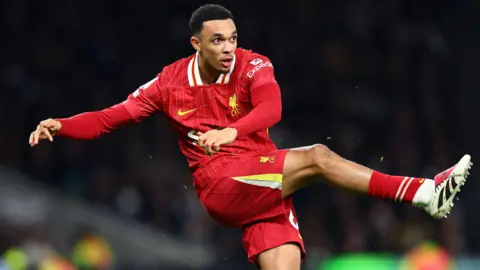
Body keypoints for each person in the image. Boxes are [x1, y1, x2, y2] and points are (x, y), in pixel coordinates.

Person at [29, 4, 472, 270]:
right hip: (222, 185)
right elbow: (110, 118)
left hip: (263, 183)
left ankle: (426, 194)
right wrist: (61, 125)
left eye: (233, 39)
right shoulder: (167, 84)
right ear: (195, 45)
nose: (228, 48)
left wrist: (230, 130)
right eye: (217, 40)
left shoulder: (254, 65)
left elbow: (271, 110)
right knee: (317, 156)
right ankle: (423, 193)